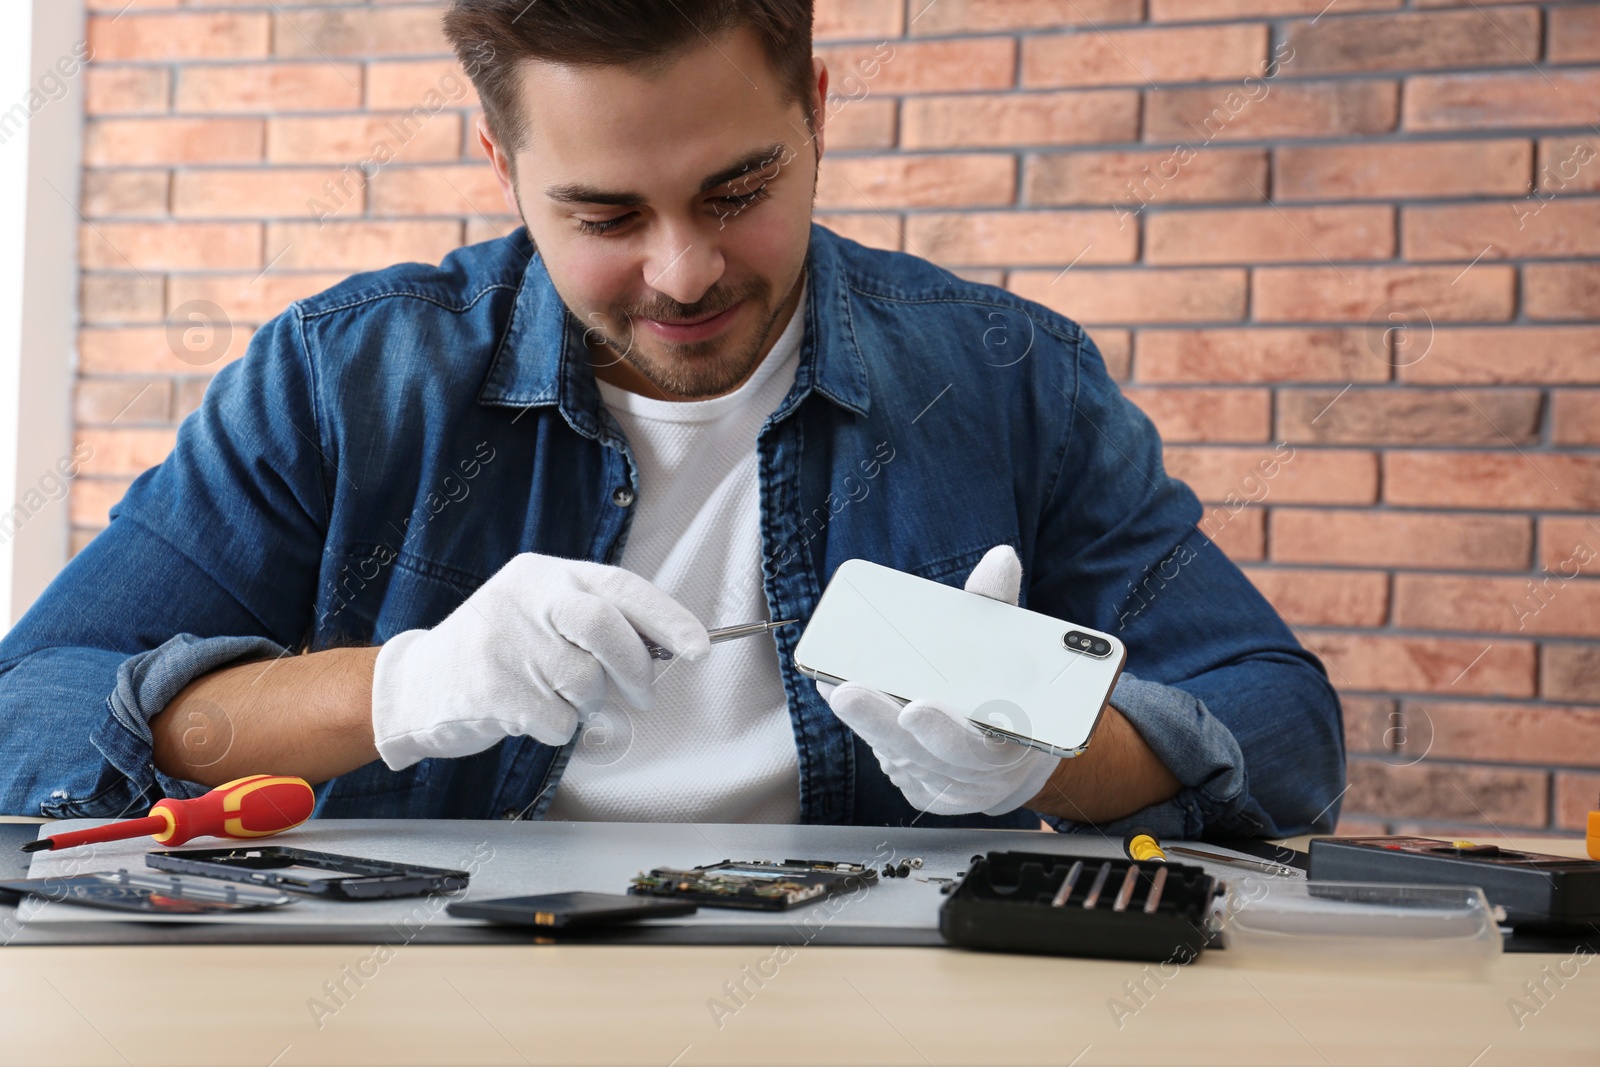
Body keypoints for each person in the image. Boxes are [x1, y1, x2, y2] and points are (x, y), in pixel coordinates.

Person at [0, 0, 1344, 838]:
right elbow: (34, 720)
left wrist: (1039, 739)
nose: (685, 271)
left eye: (737, 188)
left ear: (814, 115)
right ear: (501, 166)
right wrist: (407, 692)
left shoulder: (1009, 378)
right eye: (603, 216)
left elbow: (1281, 728)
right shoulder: (345, 377)